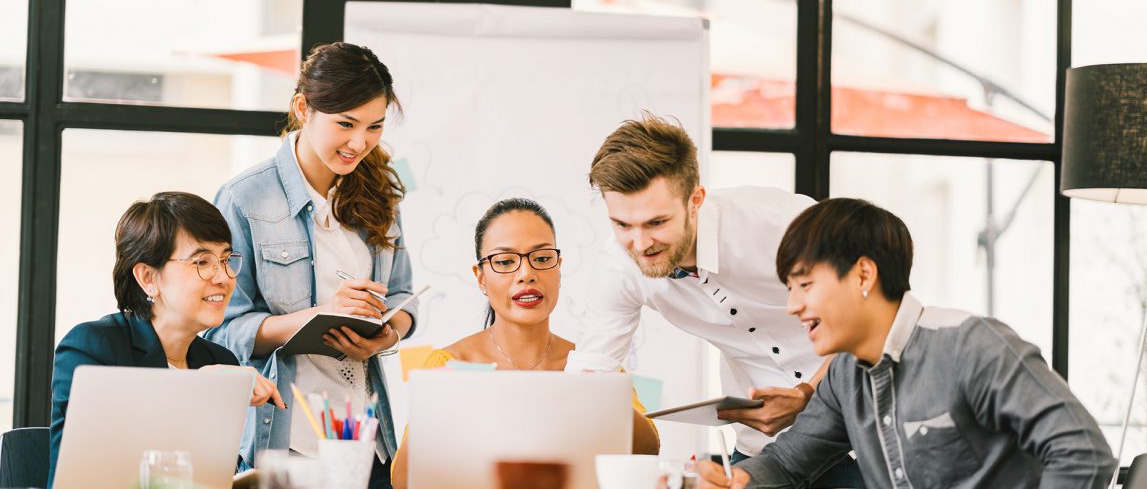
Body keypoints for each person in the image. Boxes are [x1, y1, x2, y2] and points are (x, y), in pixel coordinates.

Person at [696, 198, 1117, 488]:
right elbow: (788, 463)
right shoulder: (845, 376)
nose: (792, 306)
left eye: (805, 285)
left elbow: (1082, 451)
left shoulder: (970, 346)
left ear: (863, 275)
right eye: (789, 288)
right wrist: (733, 481)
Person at [566, 115, 860, 483]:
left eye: (657, 223)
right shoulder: (619, 265)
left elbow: (870, 320)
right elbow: (592, 375)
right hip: (766, 448)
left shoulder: (782, 223)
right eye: (623, 225)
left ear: (695, 200)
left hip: (863, 431)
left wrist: (807, 394)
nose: (640, 244)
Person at [205, 42, 417, 488]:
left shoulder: (382, 196)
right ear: (303, 108)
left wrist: (387, 334)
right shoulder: (244, 198)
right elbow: (218, 330)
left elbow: (403, 297)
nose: (360, 142)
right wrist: (312, 319)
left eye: (374, 126)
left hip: (366, 439)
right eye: (346, 124)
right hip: (288, 442)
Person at [391, 198, 660, 489]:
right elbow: (403, 481)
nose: (526, 274)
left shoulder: (594, 362)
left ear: (559, 268)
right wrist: (438, 405)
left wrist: (598, 397)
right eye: (505, 261)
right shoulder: (450, 364)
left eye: (542, 258)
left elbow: (649, 451)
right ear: (480, 277)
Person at [48, 192, 284, 488]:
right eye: (202, 261)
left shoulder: (219, 360)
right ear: (148, 277)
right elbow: (97, 470)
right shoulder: (91, 347)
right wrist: (197, 388)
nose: (223, 277)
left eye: (225, 259)